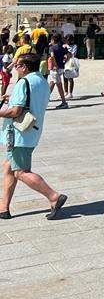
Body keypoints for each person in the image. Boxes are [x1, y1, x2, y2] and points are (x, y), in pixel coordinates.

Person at [0, 53, 67, 220]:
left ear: (24, 67)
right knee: (9, 166)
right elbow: (31, 101)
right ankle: (4, 207)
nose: (15, 69)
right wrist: (12, 97)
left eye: (17, 66)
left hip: (19, 134)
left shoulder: (24, 82)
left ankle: (53, 196)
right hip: (32, 132)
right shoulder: (41, 81)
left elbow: (16, 111)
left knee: (21, 172)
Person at [47, 32, 69, 109]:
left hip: (55, 68)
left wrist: (55, 65)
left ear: (53, 40)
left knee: (59, 85)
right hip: (61, 67)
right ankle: (45, 100)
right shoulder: (62, 47)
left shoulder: (52, 47)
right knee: (52, 83)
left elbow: (52, 57)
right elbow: (70, 55)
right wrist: (65, 61)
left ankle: (64, 102)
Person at [62, 34, 79, 100]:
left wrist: (66, 53)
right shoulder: (64, 45)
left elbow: (73, 54)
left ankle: (70, 93)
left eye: (70, 40)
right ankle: (66, 92)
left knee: (70, 77)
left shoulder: (74, 46)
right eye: (67, 40)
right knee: (64, 77)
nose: (68, 41)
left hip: (71, 63)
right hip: (64, 62)